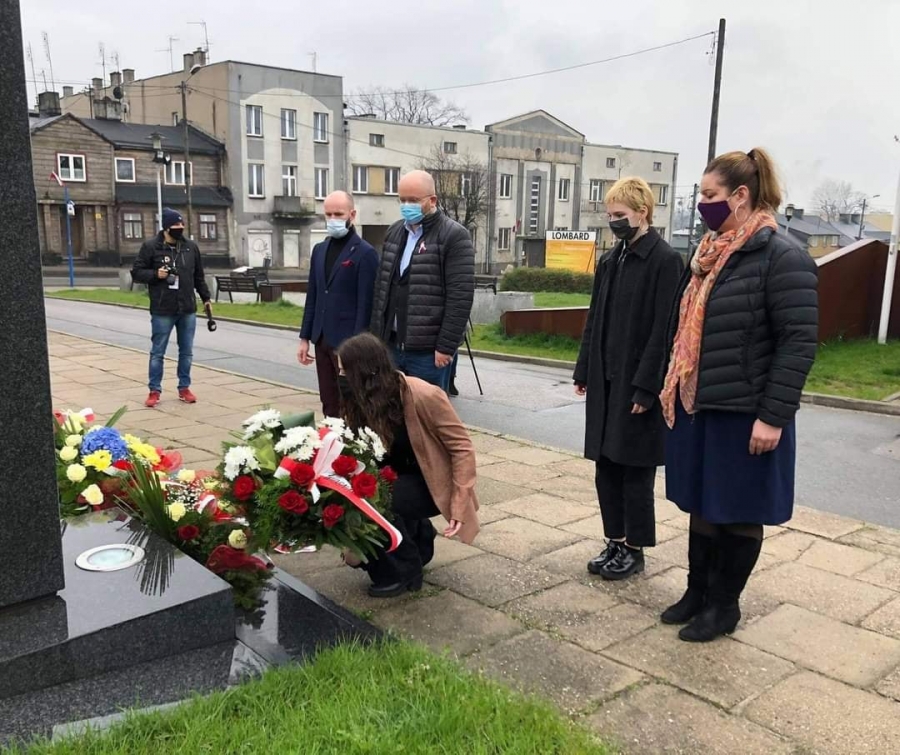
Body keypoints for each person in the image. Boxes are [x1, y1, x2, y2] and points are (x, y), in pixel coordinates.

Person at [659, 148, 818, 642]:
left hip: (747, 412)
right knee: (702, 503)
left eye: (711, 194)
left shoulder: (781, 256)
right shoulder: (709, 255)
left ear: (741, 196)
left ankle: (724, 606)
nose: (703, 203)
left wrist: (773, 417)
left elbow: (798, 343)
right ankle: (697, 593)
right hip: (701, 405)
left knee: (739, 511)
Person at [574, 178, 684, 581]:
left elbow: (664, 330)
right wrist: (584, 369)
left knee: (634, 470)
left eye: (620, 214)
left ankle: (635, 549)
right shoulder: (611, 260)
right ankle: (614, 540)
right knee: (606, 466)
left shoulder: (665, 261)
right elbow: (595, 320)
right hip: (605, 380)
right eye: (610, 215)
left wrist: (647, 386)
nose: (613, 221)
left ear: (642, 213)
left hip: (636, 384)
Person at [336, 332, 479, 598]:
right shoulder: (361, 399)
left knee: (376, 499)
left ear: (364, 371)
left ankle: (404, 571)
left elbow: (462, 448)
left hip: (430, 481)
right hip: (395, 476)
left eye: (345, 371)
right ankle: (418, 536)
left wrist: (460, 503)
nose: (340, 377)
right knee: (358, 494)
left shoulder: (423, 394)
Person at [369, 170, 475, 392]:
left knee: (426, 410)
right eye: (402, 200)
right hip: (391, 346)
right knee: (390, 408)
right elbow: (381, 290)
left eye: (413, 200)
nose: (407, 206)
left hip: (428, 353)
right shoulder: (394, 232)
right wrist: (376, 340)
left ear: (432, 200)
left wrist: (446, 347)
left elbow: (460, 297)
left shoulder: (454, 236)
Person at [297, 191, 378, 417]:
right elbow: (313, 295)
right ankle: (330, 437)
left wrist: (354, 349)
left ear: (352, 215)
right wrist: (304, 338)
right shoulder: (319, 250)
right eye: (328, 214)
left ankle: (351, 440)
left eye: (338, 214)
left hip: (347, 344)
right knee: (328, 401)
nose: (333, 219)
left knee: (351, 404)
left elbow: (366, 306)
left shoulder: (365, 253)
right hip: (321, 338)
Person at [131, 208, 212, 407]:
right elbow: (137, 272)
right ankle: (154, 390)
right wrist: (155, 275)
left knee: (187, 351)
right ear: (166, 227)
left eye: (182, 224)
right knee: (158, 352)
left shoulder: (190, 247)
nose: (180, 228)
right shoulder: (151, 247)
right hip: (163, 308)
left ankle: (184, 388)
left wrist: (206, 298)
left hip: (187, 308)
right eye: (176, 225)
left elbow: (198, 276)